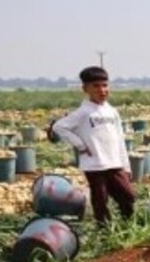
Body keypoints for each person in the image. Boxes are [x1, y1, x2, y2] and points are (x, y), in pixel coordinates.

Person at [52, 67, 133, 226]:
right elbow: (59, 127)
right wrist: (80, 145)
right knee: (100, 200)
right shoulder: (83, 112)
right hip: (94, 164)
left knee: (128, 196)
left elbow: (120, 140)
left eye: (104, 85)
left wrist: (126, 166)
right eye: (96, 86)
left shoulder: (112, 111)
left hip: (114, 163)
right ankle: (104, 230)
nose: (102, 90)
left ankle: (128, 224)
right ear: (85, 89)